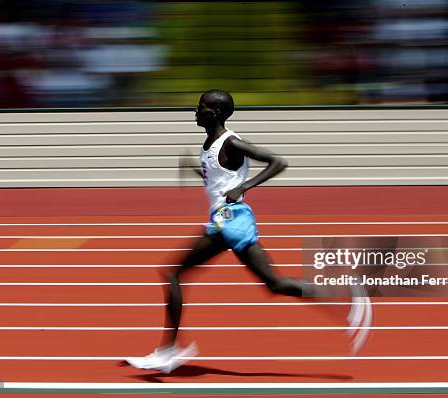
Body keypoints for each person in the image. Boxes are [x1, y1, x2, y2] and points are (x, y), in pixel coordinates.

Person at [125, 89, 315, 373]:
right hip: (228, 220)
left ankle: (169, 351)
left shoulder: (232, 142)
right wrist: (195, 170)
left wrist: (244, 186)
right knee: (274, 285)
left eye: (201, 106)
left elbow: (278, 162)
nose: (195, 110)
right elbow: (219, 179)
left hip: (230, 219)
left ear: (214, 113)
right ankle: (340, 293)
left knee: (173, 273)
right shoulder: (209, 143)